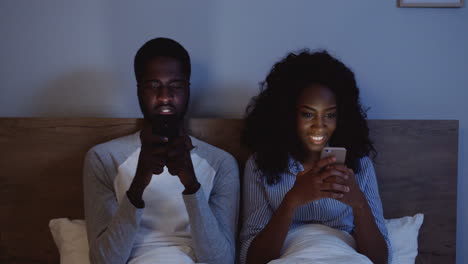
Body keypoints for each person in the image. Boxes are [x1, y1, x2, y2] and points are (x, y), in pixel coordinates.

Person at [83, 37, 239, 264]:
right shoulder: (103, 158)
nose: (165, 97)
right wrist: (138, 184)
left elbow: (221, 260)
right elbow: (105, 260)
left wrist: (192, 185)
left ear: (188, 90)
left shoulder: (221, 162)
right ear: (139, 91)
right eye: (153, 86)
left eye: (175, 86)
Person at [239, 50, 392, 264]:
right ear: (288, 114)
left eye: (329, 115)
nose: (319, 126)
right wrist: (292, 201)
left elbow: (381, 259)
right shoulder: (259, 165)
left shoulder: (359, 165)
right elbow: (251, 259)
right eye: (308, 114)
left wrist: (359, 204)